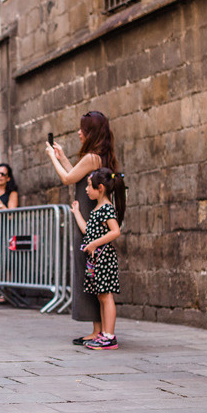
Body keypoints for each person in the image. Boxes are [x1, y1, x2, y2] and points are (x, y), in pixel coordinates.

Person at [46, 110, 120, 345]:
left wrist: (52, 157)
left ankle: (102, 330)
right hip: (90, 217)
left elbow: (67, 179)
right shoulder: (100, 156)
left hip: (89, 222)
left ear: (91, 132)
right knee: (91, 277)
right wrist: (64, 157)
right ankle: (98, 329)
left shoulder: (92, 156)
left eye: (83, 129)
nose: (79, 132)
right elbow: (76, 175)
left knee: (90, 274)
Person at [70, 168, 126, 350]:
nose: (86, 190)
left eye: (89, 186)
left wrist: (95, 244)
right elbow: (88, 231)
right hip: (96, 261)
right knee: (101, 296)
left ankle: (109, 336)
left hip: (104, 259)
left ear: (100, 188)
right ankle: (104, 333)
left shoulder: (107, 209)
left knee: (106, 296)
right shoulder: (97, 209)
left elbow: (115, 231)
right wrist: (77, 212)